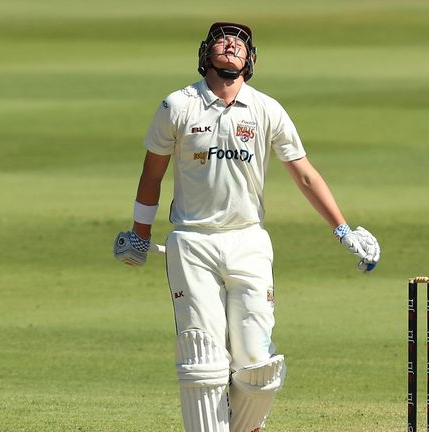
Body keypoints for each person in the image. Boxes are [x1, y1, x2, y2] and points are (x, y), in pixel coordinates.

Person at [113, 22, 380, 432]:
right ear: (206, 54)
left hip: (249, 241)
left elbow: (304, 174)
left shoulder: (266, 109)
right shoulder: (177, 106)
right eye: (223, 40)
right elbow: (152, 176)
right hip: (193, 241)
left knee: (258, 368)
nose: (232, 45)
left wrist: (344, 230)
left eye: (241, 43)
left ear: (250, 61)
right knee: (203, 363)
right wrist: (140, 234)